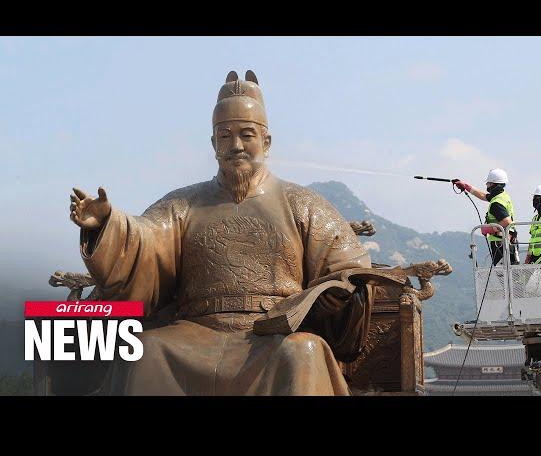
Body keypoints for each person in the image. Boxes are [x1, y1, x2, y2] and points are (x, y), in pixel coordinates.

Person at [68, 70, 372, 395]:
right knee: (145, 350)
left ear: (266, 142)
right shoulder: (183, 204)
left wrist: (340, 292)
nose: (236, 145)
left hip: (273, 336)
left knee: (303, 352)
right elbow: (145, 238)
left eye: (246, 134)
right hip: (194, 333)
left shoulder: (304, 205)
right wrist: (106, 225)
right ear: (214, 143)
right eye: (225, 136)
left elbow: (348, 268)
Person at [454, 168, 519, 265]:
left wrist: (489, 229)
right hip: (508, 242)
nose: (486, 185)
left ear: (494, 184)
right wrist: (466, 186)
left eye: (488, 183)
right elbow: (483, 195)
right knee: (510, 275)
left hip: (500, 244)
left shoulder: (496, 203)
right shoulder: (502, 196)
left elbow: (507, 222)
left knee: (502, 275)